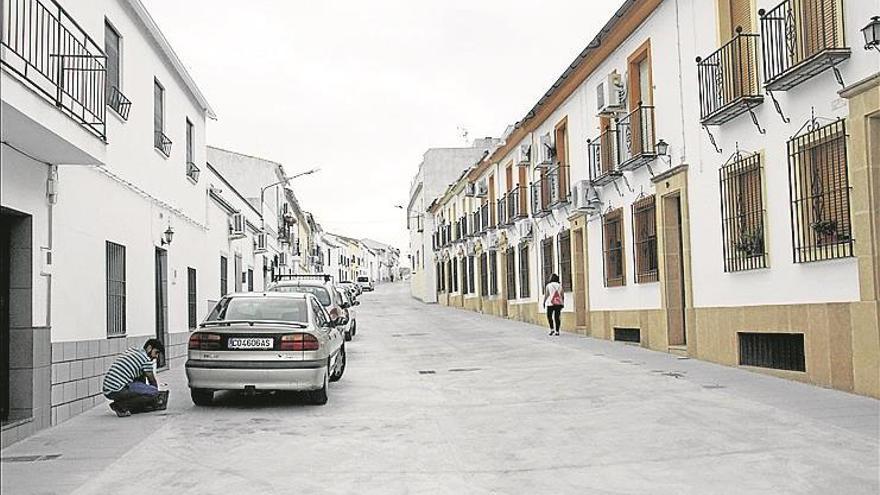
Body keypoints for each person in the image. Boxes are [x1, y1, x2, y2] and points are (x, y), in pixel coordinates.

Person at [102, 338, 165, 417]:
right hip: (117, 389)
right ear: (149, 348)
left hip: (108, 389)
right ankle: (120, 406)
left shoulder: (134, 351)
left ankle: (123, 403)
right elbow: (152, 380)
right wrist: (156, 396)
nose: (156, 357)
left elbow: (141, 380)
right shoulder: (146, 360)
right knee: (153, 392)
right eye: (156, 352)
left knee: (144, 385)